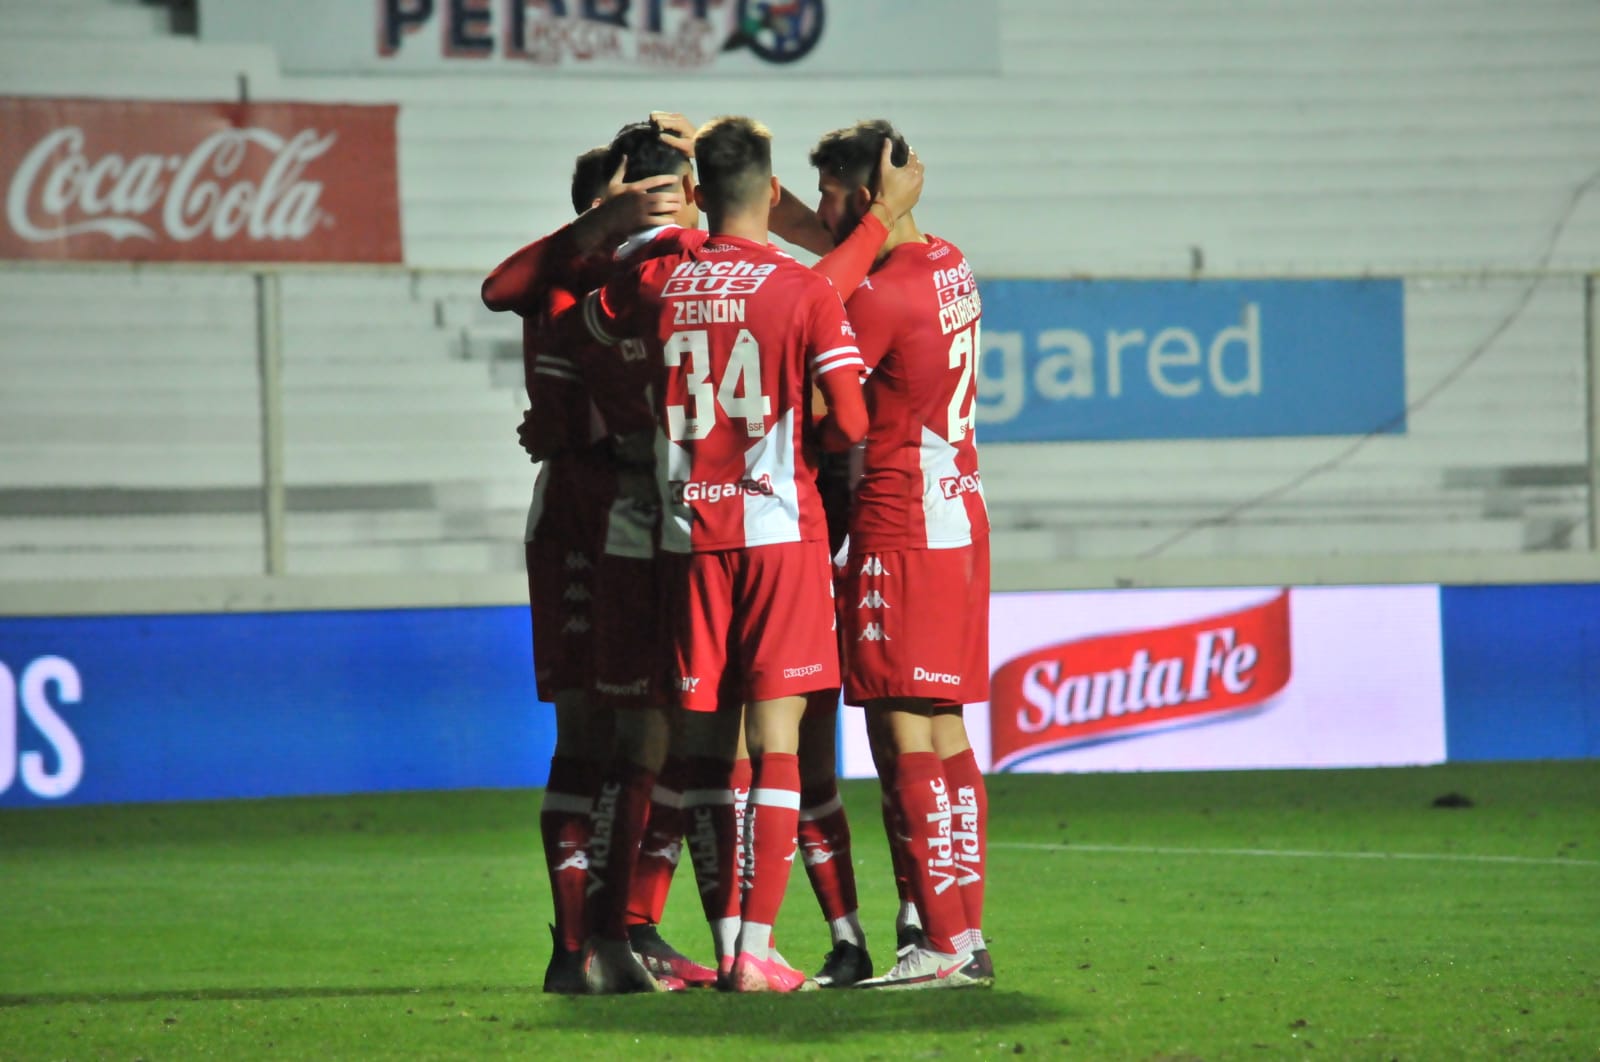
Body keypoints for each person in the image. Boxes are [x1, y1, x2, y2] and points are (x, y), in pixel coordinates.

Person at [547, 115, 871, 992]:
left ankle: (675, 936)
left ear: (698, 196)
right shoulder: (802, 289)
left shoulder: (660, 284)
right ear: (771, 192)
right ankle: (750, 949)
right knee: (774, 740)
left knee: (696, 745)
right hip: (776, 530)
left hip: (686, 537)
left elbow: (578, 328)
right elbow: (852, 421)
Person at [808, 119, 994, 990]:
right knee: (946, 725)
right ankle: (965, 936)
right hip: (957, 510)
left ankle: (939, 945)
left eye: (831, 193)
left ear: (869, 191)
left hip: (898, 521)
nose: (819, 208)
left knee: (897, 732)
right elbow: (852, 256)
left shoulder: (881, 296)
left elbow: (811, 318)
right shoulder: (949, 263)